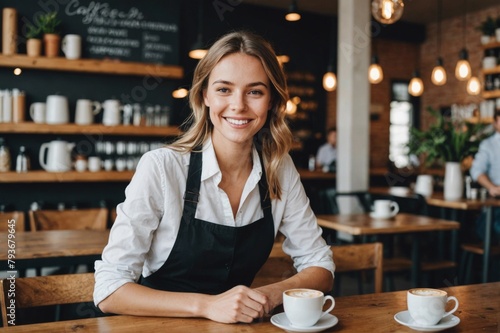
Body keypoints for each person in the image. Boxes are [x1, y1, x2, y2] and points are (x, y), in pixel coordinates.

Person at [94, 31, 334, 324]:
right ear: (204, 95)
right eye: (224, 89)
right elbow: (109, 290)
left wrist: (269, 296)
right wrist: (208, 306)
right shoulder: (162, 167)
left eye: (255, 91)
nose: (238, 105)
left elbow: (320, 265)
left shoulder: (279, 168)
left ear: (271, 100)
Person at [469, 109, 500, 243]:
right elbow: (477, 171)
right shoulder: (488, 145)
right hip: (496, 205)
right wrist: (492, 187)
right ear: (495, 123)